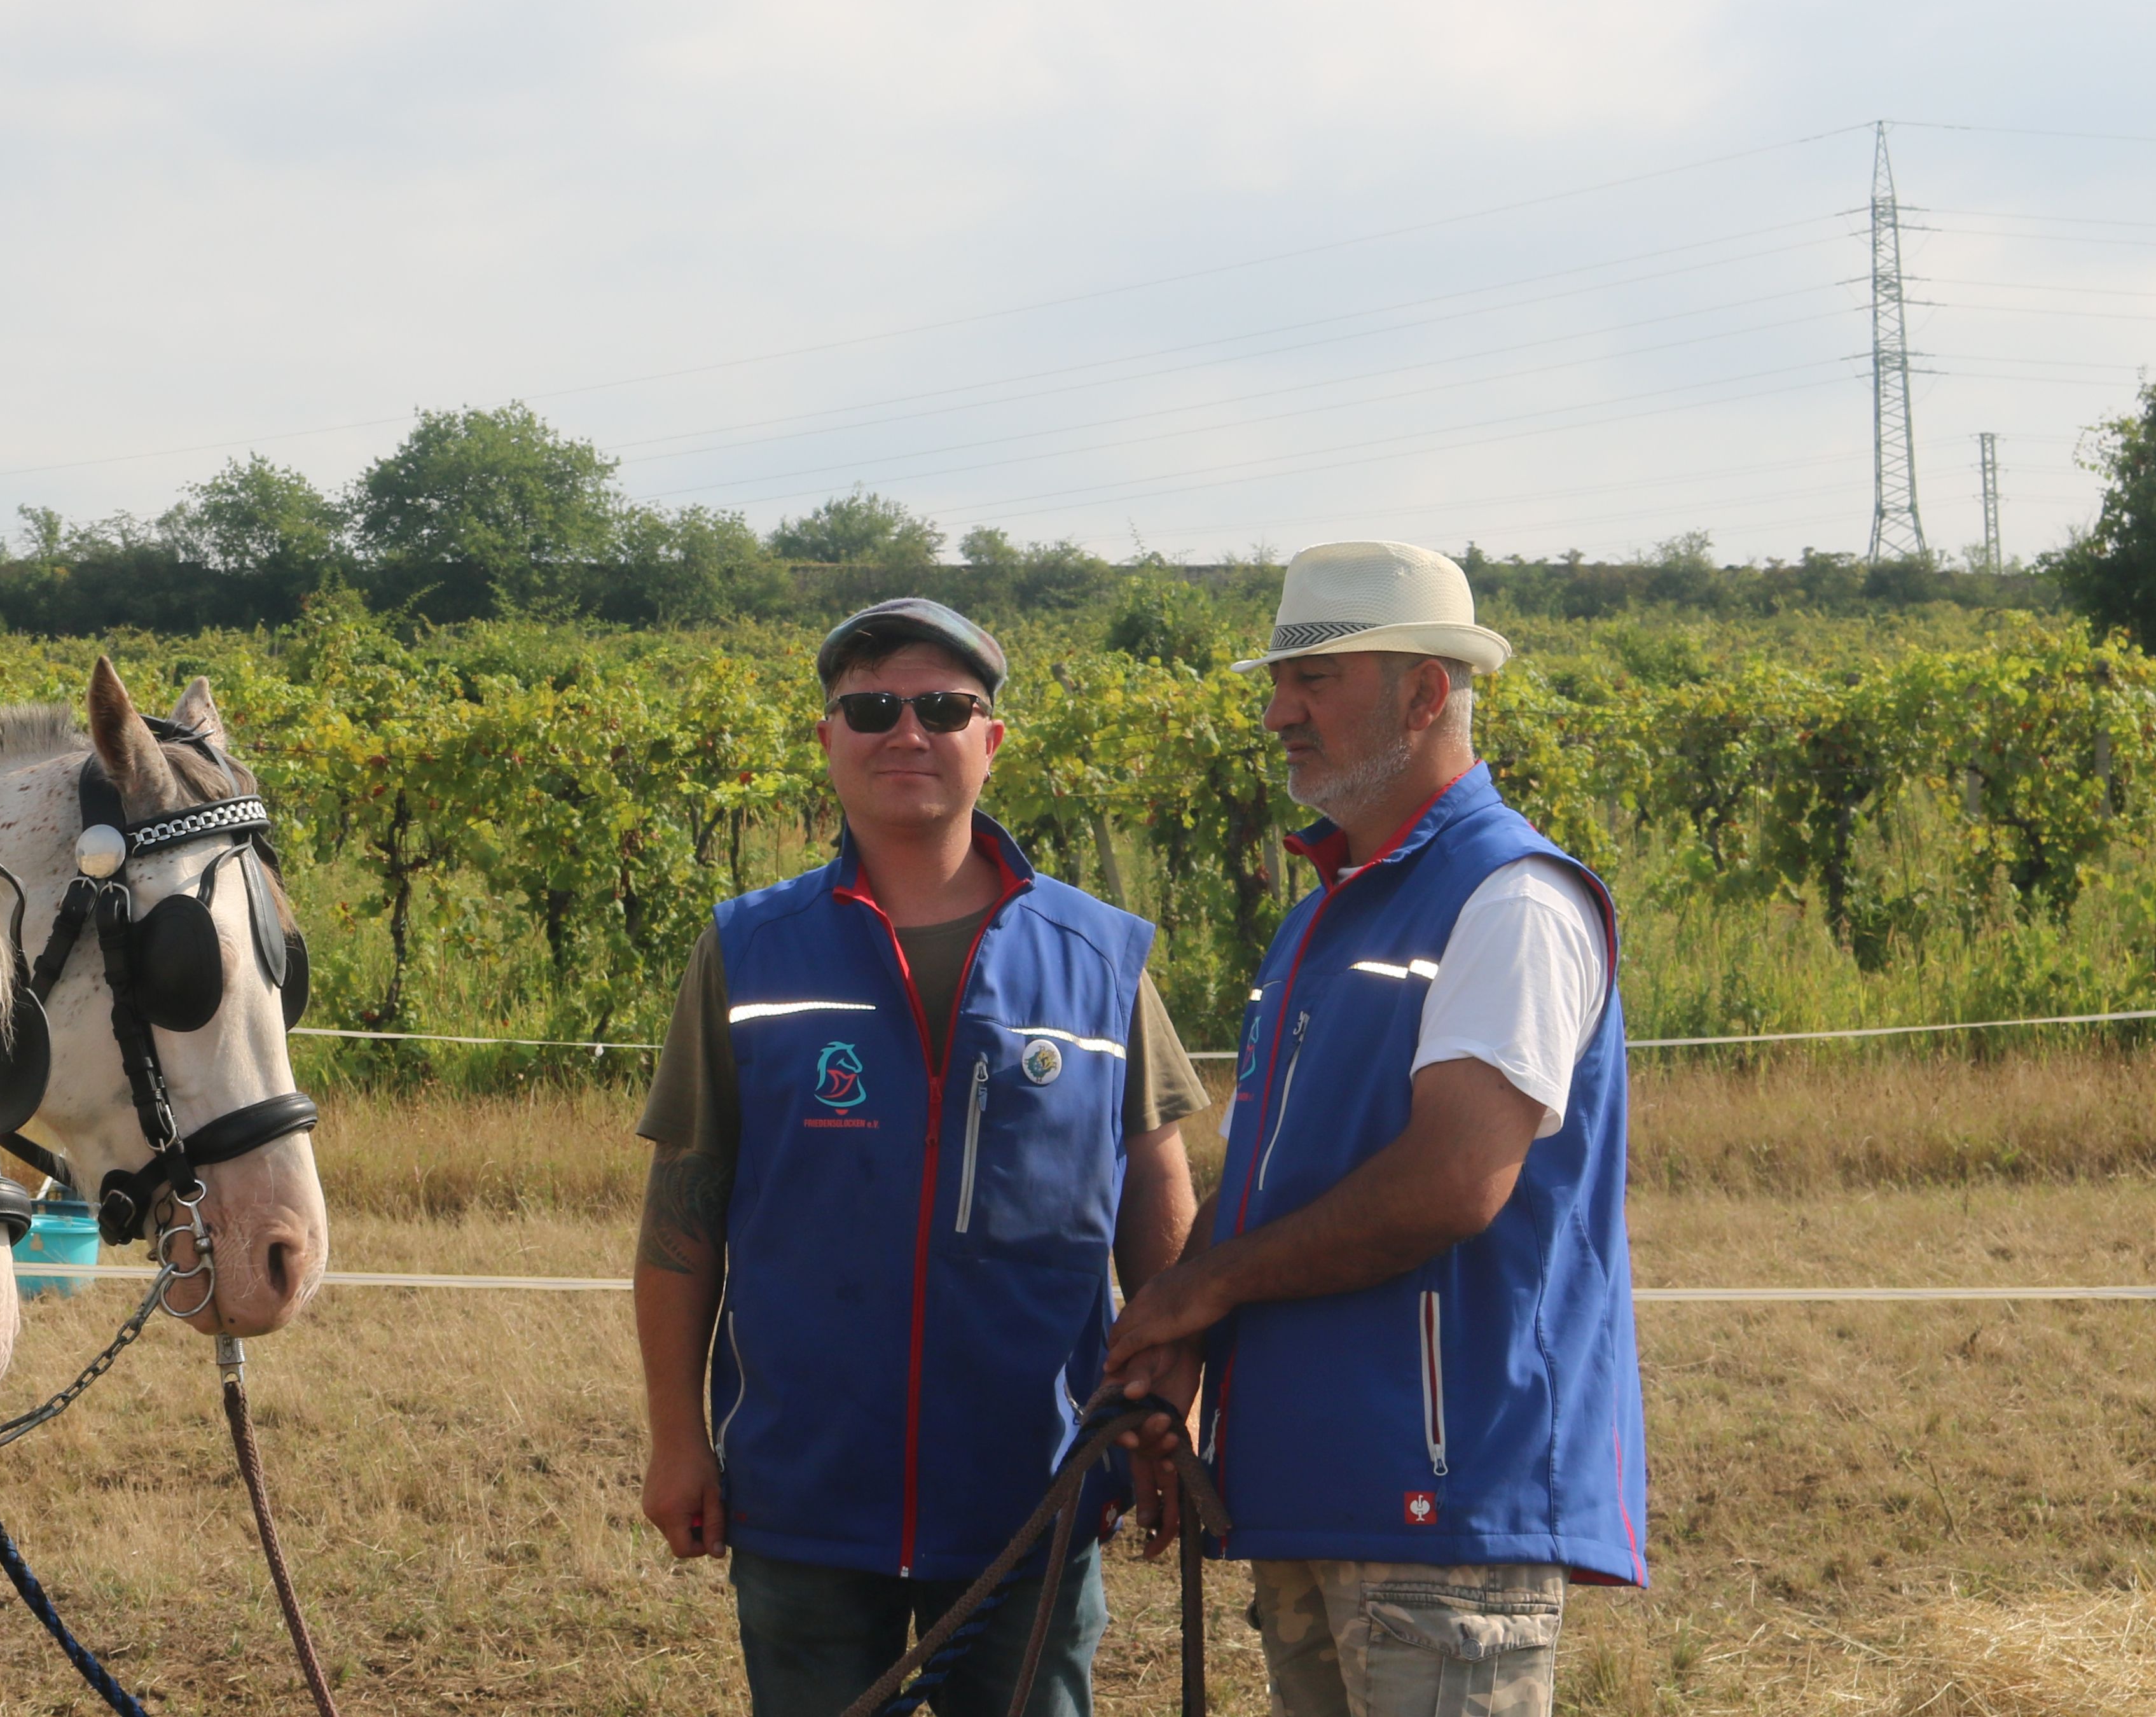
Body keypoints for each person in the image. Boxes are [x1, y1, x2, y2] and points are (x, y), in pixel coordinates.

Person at [1102, 541, 1647, 1717]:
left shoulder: (1512, 899)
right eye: (1281, 681)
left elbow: (1453, 1181)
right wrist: (1186, 1339)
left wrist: (1203, 1291)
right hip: (1319, 1489)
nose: (1278, 712)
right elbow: (1270, 1179)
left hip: (1441, 1504)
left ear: (1425, 694)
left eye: (1317, 681)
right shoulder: (1326, 918)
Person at [635, 597, 1206, 1717]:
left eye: (946, 707)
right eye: (873, 708)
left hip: (1032, 1494)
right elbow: (685, 1211)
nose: (908, 731)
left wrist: (1168, 1401)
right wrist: (675, 1439)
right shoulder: (747, 947)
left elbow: (1156, 1194)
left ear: (991, 741)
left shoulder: (1100, 957)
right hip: (805, 1490)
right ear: (828, 741)